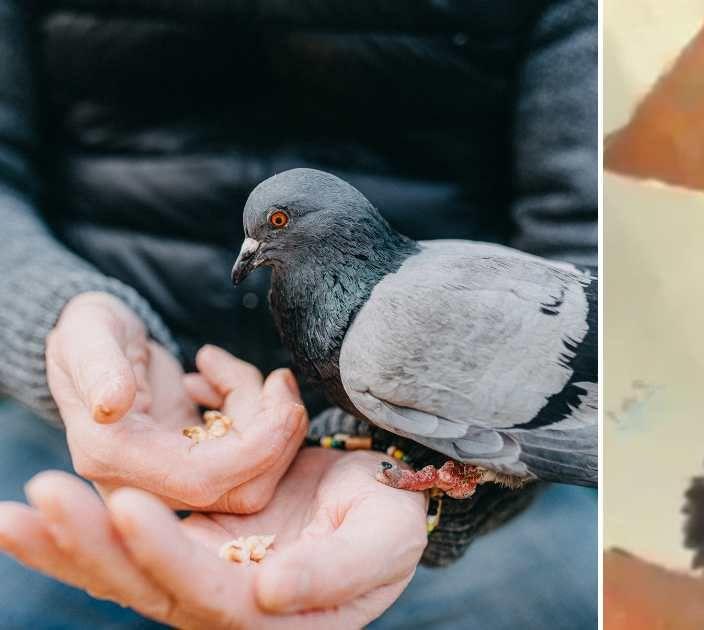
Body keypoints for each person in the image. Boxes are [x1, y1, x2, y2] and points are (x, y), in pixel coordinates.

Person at [0, 1, 597, 627]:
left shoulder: (382, 341)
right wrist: (55, 316)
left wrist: (448, 488)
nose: (251, 249)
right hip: (102, 419)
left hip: (462, 429)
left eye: (274, 228)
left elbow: (588, 225)